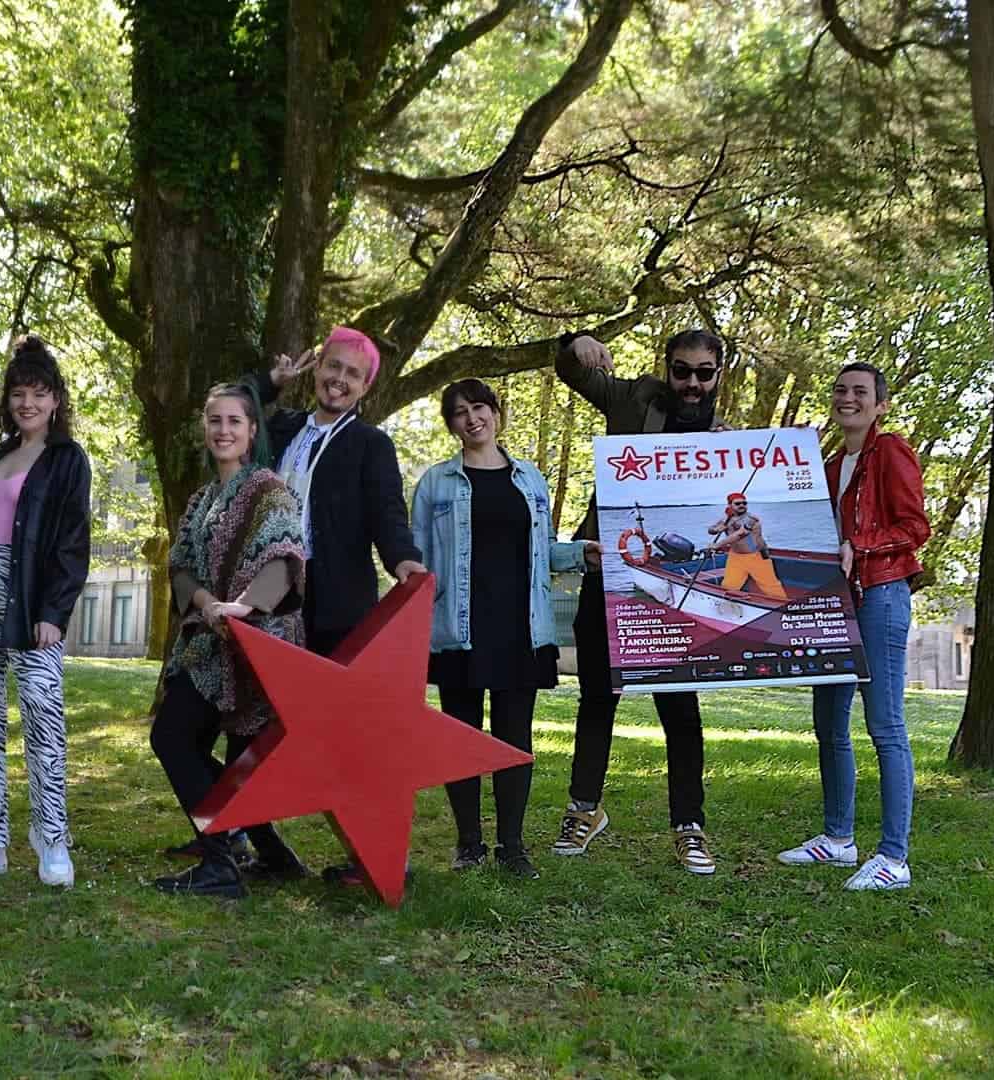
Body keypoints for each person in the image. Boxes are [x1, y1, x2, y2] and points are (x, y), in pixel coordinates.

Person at [242, 327, 426, 886]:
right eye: (333, 367)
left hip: (338, 602)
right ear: (316, 368)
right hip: (271, 591)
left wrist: (405, 563)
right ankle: (258, 845)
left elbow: (387, 516)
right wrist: (266, 383)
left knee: (342, 733)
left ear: (364, 388)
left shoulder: (370, 445)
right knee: (253, 717)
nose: (339, 379)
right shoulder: (281, 428)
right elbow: (227, 414)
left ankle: (369, 851)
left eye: (353, 374)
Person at [552, 328, 726, 875]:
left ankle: (689, 826)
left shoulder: (730, 439)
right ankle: (584, 809)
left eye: (703, 372)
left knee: (680, 709)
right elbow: (573, 371)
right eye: (682, 370)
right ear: (667, 368)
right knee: (598, 699)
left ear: (718, 374)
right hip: (612, 573)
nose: (691, 383)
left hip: (678, 590)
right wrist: (575, 341)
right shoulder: (634, 399)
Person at [413, 380, 597, 879]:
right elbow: (418, 562)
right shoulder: (435, 484)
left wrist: (582, 553)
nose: (471, 419)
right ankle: (469, 843)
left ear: (496, 413)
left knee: (514, 738)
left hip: (521, 629)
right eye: (458, 413)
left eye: (479, 408)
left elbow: (546, 551)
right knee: (460, 738)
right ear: (450, 424)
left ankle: (512, 846)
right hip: (459, 628)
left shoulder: (531, 480)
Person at [0, 337, 92, 888]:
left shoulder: (66, 459)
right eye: (18, 393)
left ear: (56, 400)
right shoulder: (0, 453)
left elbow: (73, 541)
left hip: (30, 598)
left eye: (39, 393)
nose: (27, 402)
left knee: (42, 715)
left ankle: (52, 842)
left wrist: (56, 610)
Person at [148, 383, 307, 899]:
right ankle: (264, 853)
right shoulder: (200, 501)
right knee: (179, 738)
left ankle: (222, 862)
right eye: (214, 420)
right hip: (208, 643)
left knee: (186, 744)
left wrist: (246, 606)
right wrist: (204, 605)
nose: (223, 431)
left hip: (258, 643)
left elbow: (286, 557)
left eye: (234, 421)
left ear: (252, 431)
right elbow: (181, 568)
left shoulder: (269, 490)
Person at [778, 362, 929, 890]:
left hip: (881, 595)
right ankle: (838, 840)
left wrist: (858, 547)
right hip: (833, 605)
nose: (849, 398)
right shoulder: (831, 462)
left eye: (860, 392)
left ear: (880, 404)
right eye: (841, 390)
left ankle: (894, 858)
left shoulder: (890, 452)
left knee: (885, 726)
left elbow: (915, 527)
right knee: (829, 720)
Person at [707, 493, 788, 599]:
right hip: (735, 557)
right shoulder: (726, 519)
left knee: (771, 587)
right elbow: (710, 530)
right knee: (729, 586)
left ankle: (784, 607)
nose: (742, 505)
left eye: (744, 503)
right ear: (730, 505)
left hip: (756, 556)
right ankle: (728, 608)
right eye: (737, 503)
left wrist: (717, 545)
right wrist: (716, 529)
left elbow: (740, 534)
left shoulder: (752, 519)